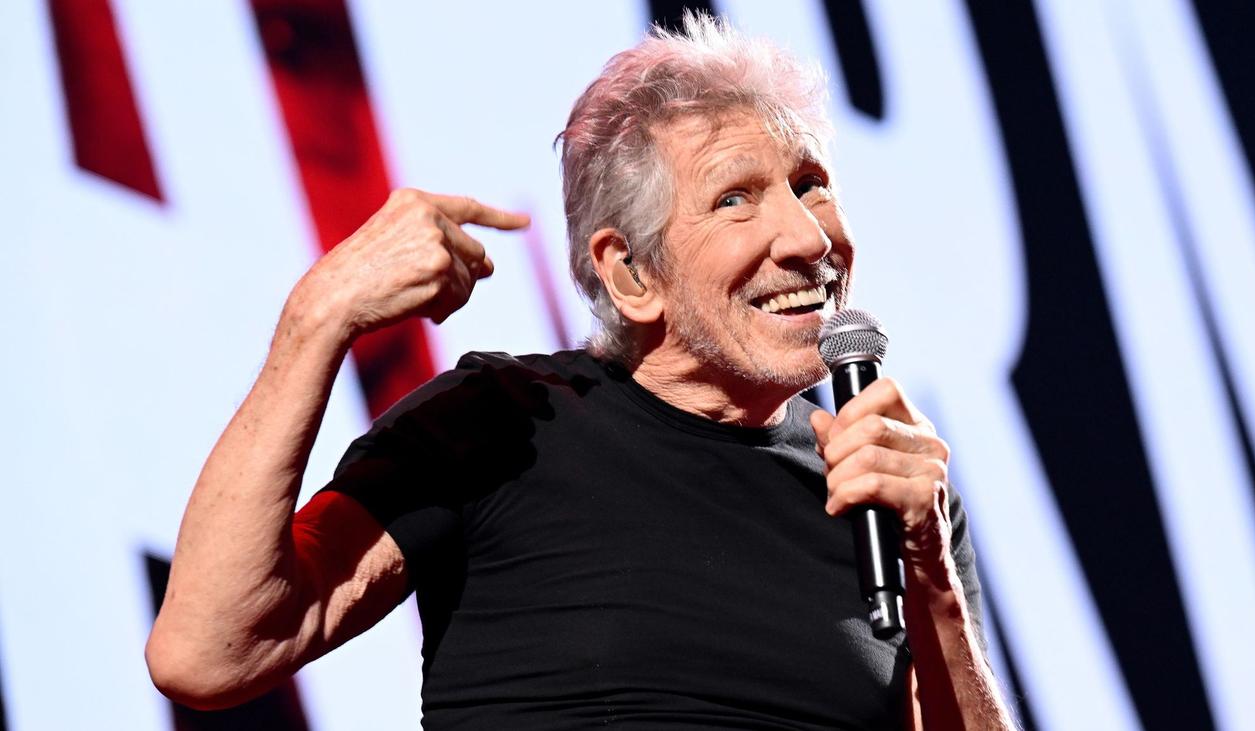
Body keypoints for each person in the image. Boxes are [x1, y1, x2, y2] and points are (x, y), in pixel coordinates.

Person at [147, 13, 1015, 730]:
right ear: (631, 273)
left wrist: (934, 577)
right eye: (735, 198)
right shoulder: (500, 423)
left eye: (811, 183)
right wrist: (316, 320)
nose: (808, 237)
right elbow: (208, 652)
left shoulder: (889, 492)